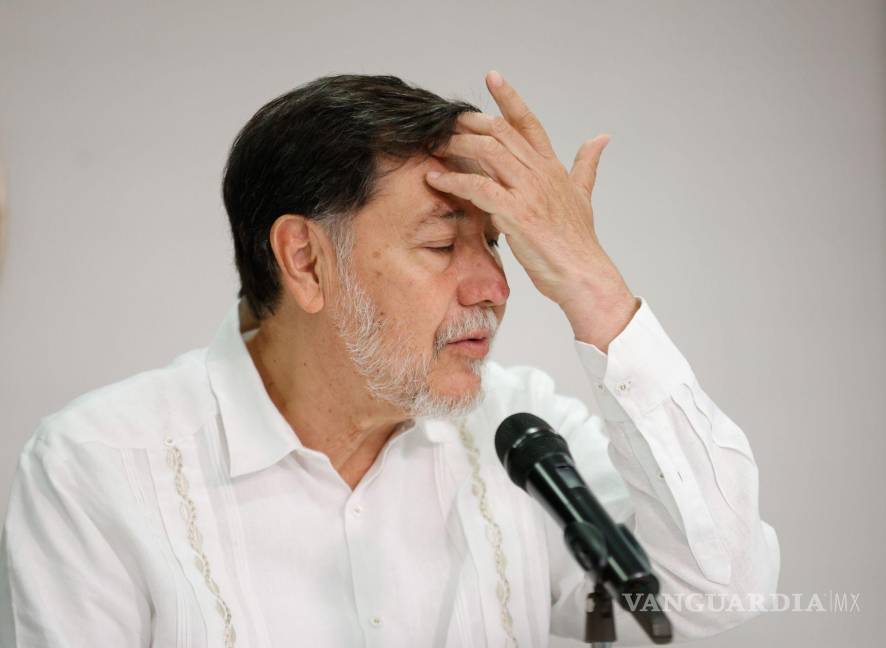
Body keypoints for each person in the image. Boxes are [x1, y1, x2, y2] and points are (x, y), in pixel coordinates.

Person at [0, 71, 780, 647]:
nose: (496, 287)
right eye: (441, 243)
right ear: (305, 260)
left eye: (496, 242)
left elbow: (716, 592)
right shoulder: (100, 466)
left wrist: (595, 288)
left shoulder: (522, 437)